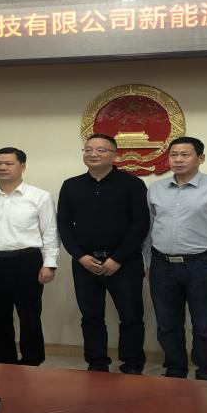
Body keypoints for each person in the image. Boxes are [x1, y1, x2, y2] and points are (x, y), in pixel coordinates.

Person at [147, 136, 207, 381]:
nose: (178, 159)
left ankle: (206, 372)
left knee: (204, 324)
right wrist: (148, 262)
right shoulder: (156, 189)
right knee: (167, 323)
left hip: (202, 264)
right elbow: (149, 228)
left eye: (185, 154)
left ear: (201, 158)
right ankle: (175, 369)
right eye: (174, 155)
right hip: (161, 264)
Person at [57, 134, 150, 374]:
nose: (93, 154)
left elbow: (140, 225)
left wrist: (117, 258)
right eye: (88, 149)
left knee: (131, 316)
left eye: (101, 150)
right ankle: (97, 363)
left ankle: (132, 364)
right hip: (85, 262)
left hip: (124, 263)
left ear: (115, 155)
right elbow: (64, 225)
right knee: (91, 316)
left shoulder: (132, 184)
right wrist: (80, 256)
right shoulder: (71, 185)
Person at [0, 147, 59, 366]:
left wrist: (49, 264)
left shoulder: (39, 196)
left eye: (8, 163)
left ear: (22, 166)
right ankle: (4, 359)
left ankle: (32, 360)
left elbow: (50, 232)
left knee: (29, 315)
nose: (2, 167)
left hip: (26, 261)